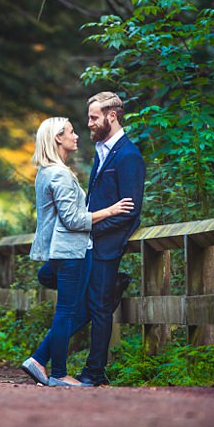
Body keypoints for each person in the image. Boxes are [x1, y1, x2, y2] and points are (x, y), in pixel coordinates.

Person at [19, 117, 133, 387]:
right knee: (67, 312)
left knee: (77, 309)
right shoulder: (57, 174)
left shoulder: (48, 171)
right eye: (70, 131)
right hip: (70, 251)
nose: (76, 135)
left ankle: (38, 359)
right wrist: (111, 210)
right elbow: (72, 219)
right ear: (58, 137)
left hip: (66, 251)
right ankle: (58, 373)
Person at [78, 91, 146, 387]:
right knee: (83, 298)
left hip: (107, 246)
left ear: (112, 116)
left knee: (100, 308)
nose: (89, 123)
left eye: (94, 117)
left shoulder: (129, 156)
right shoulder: (103, 151)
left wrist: (93, 229)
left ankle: (94, 372)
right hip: (89, 243)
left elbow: (130, 212)